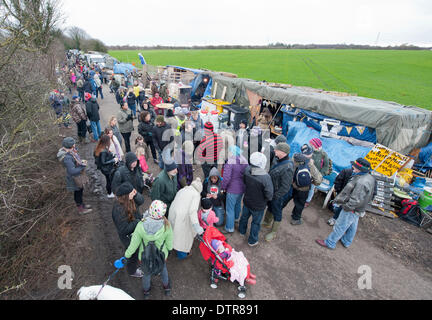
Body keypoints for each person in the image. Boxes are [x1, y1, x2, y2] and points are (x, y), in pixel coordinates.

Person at [316, 158, 375, 250]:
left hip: (351, 208)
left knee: (341, 225)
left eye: (354, 166)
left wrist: (346, 207)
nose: (352, 167)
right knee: (352, 225)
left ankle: (330, 242)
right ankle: (346, 241)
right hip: (360, 208)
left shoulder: (361, 182)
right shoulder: (369, 177)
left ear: (360, 169)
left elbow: (355, 199)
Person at [122, 200, 173, 298]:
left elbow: (134, 244)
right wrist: (169, 250)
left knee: (146, 273)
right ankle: (166, 288)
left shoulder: (141, 225)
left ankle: (146, 292)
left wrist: (127, 255)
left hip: (144, 256)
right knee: (163, 270)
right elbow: (169, 243)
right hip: (161, 255)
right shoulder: (167, 225)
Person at [238, 152, 273, 247]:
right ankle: (252, 240)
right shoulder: (266, 177)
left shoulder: (247, 169)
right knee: (256, 223)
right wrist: (265, 199)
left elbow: (244, 181)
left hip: (247, 200)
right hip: (259, 205)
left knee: (244, 217)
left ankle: (242, 231)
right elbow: (269, 194)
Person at [112, 182, 145, 277]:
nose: (133, 194)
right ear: (126, 195)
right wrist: (138, 222)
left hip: (135, 232)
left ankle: (136, 264)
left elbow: (141, 201)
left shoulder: (130, 200)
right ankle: (132, 271)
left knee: (137, 250)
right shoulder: (118, 209)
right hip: (127, 237)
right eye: (132, 192)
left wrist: (136, 194)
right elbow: (123, 229)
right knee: (132, 254)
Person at [262, 143, 294, 241]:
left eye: (277, 150)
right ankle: (267, 222)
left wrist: (275, 196)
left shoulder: (288, 167)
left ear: (283, 152)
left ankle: (273, 232)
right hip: (273, 191)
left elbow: (285, 187)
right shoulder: (278, 160)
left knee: (277, 211)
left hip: (279, 195)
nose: (275, 151)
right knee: (270, 206)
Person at [168, 178, 204, 259]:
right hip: (182, 216)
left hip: (173, 212)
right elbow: (192, 211)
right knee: (183, 236)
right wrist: (197, 226)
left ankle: (171, 246)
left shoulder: (184, 189)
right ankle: (182, 254)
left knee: (174, 231)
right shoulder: (196, 194)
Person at [285, 147, 322, 226]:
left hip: (291, 185)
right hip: (303, 189)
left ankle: (275, 212)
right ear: (310, 154)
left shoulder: (294, 158)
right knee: (300, 204)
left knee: (285, 199)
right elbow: (318, 180)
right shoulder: (310, 164)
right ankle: (295, 219)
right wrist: (312, 182)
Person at [57, 137, 92, 215]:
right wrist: (82, 166)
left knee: (80, 191)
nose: (75, 145)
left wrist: (80, 163)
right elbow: (72, 171)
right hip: (74, 178)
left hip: (77, 176)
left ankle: (82, 205)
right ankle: (81, 210)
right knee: (78, 193)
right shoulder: (67, 157)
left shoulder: (69, 152)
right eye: (73, 144)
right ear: (70, 146)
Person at [221, 145, 248, 234]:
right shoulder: (244, 159)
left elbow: (226, 177)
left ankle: (229, 227)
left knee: (230, 209)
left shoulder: (231, 161)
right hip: (242, 187)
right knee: (237, 204)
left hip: (232, 189)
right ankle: (236, 218)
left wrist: (223, 187)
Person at [305, 138, 330, 208]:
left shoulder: (323, 155)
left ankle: (307, 200)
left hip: (315, 175)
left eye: (311, 144)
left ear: (316, 146)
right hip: (307, 172)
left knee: (311, 189)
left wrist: (319, 175)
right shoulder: (309, 151)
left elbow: (326, 167)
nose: (309, 145)